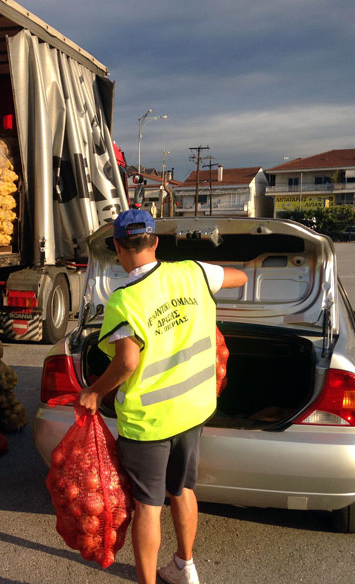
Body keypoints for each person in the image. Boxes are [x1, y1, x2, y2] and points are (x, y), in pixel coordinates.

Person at [77, 209, 247, 584]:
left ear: (119, 248)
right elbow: (240, 277)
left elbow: (126, 363)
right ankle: (185, 566)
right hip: (194, 409)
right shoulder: (192, 272)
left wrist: (94, 392)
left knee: (148, 507)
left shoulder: (123, 301)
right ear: (155, 242)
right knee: (183, 488)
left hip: (149, 421)